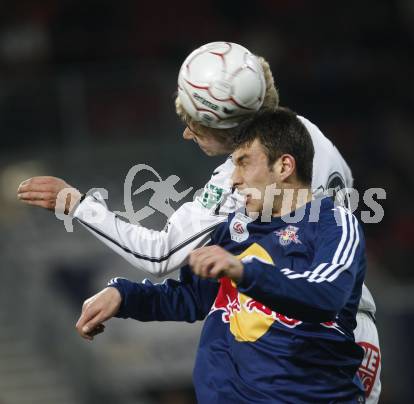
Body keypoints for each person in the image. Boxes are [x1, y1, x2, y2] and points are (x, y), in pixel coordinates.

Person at [17, 42, 381, 402]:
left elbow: (158, 255)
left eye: (194, 122)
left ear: (224, 124)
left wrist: (79, 205)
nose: (187, 133)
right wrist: (127, 294)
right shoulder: (305, 135)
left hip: (310, 336)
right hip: (326, 322)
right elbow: (200, 293)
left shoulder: (238, 183)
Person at [77, 108, 367, 403]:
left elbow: (326, 293)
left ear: (284, 166)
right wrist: (124, 295)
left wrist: (244, 270)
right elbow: (191, 299)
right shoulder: (233, 232)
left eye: (244, 163)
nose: (233, 180)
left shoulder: (332, 223)